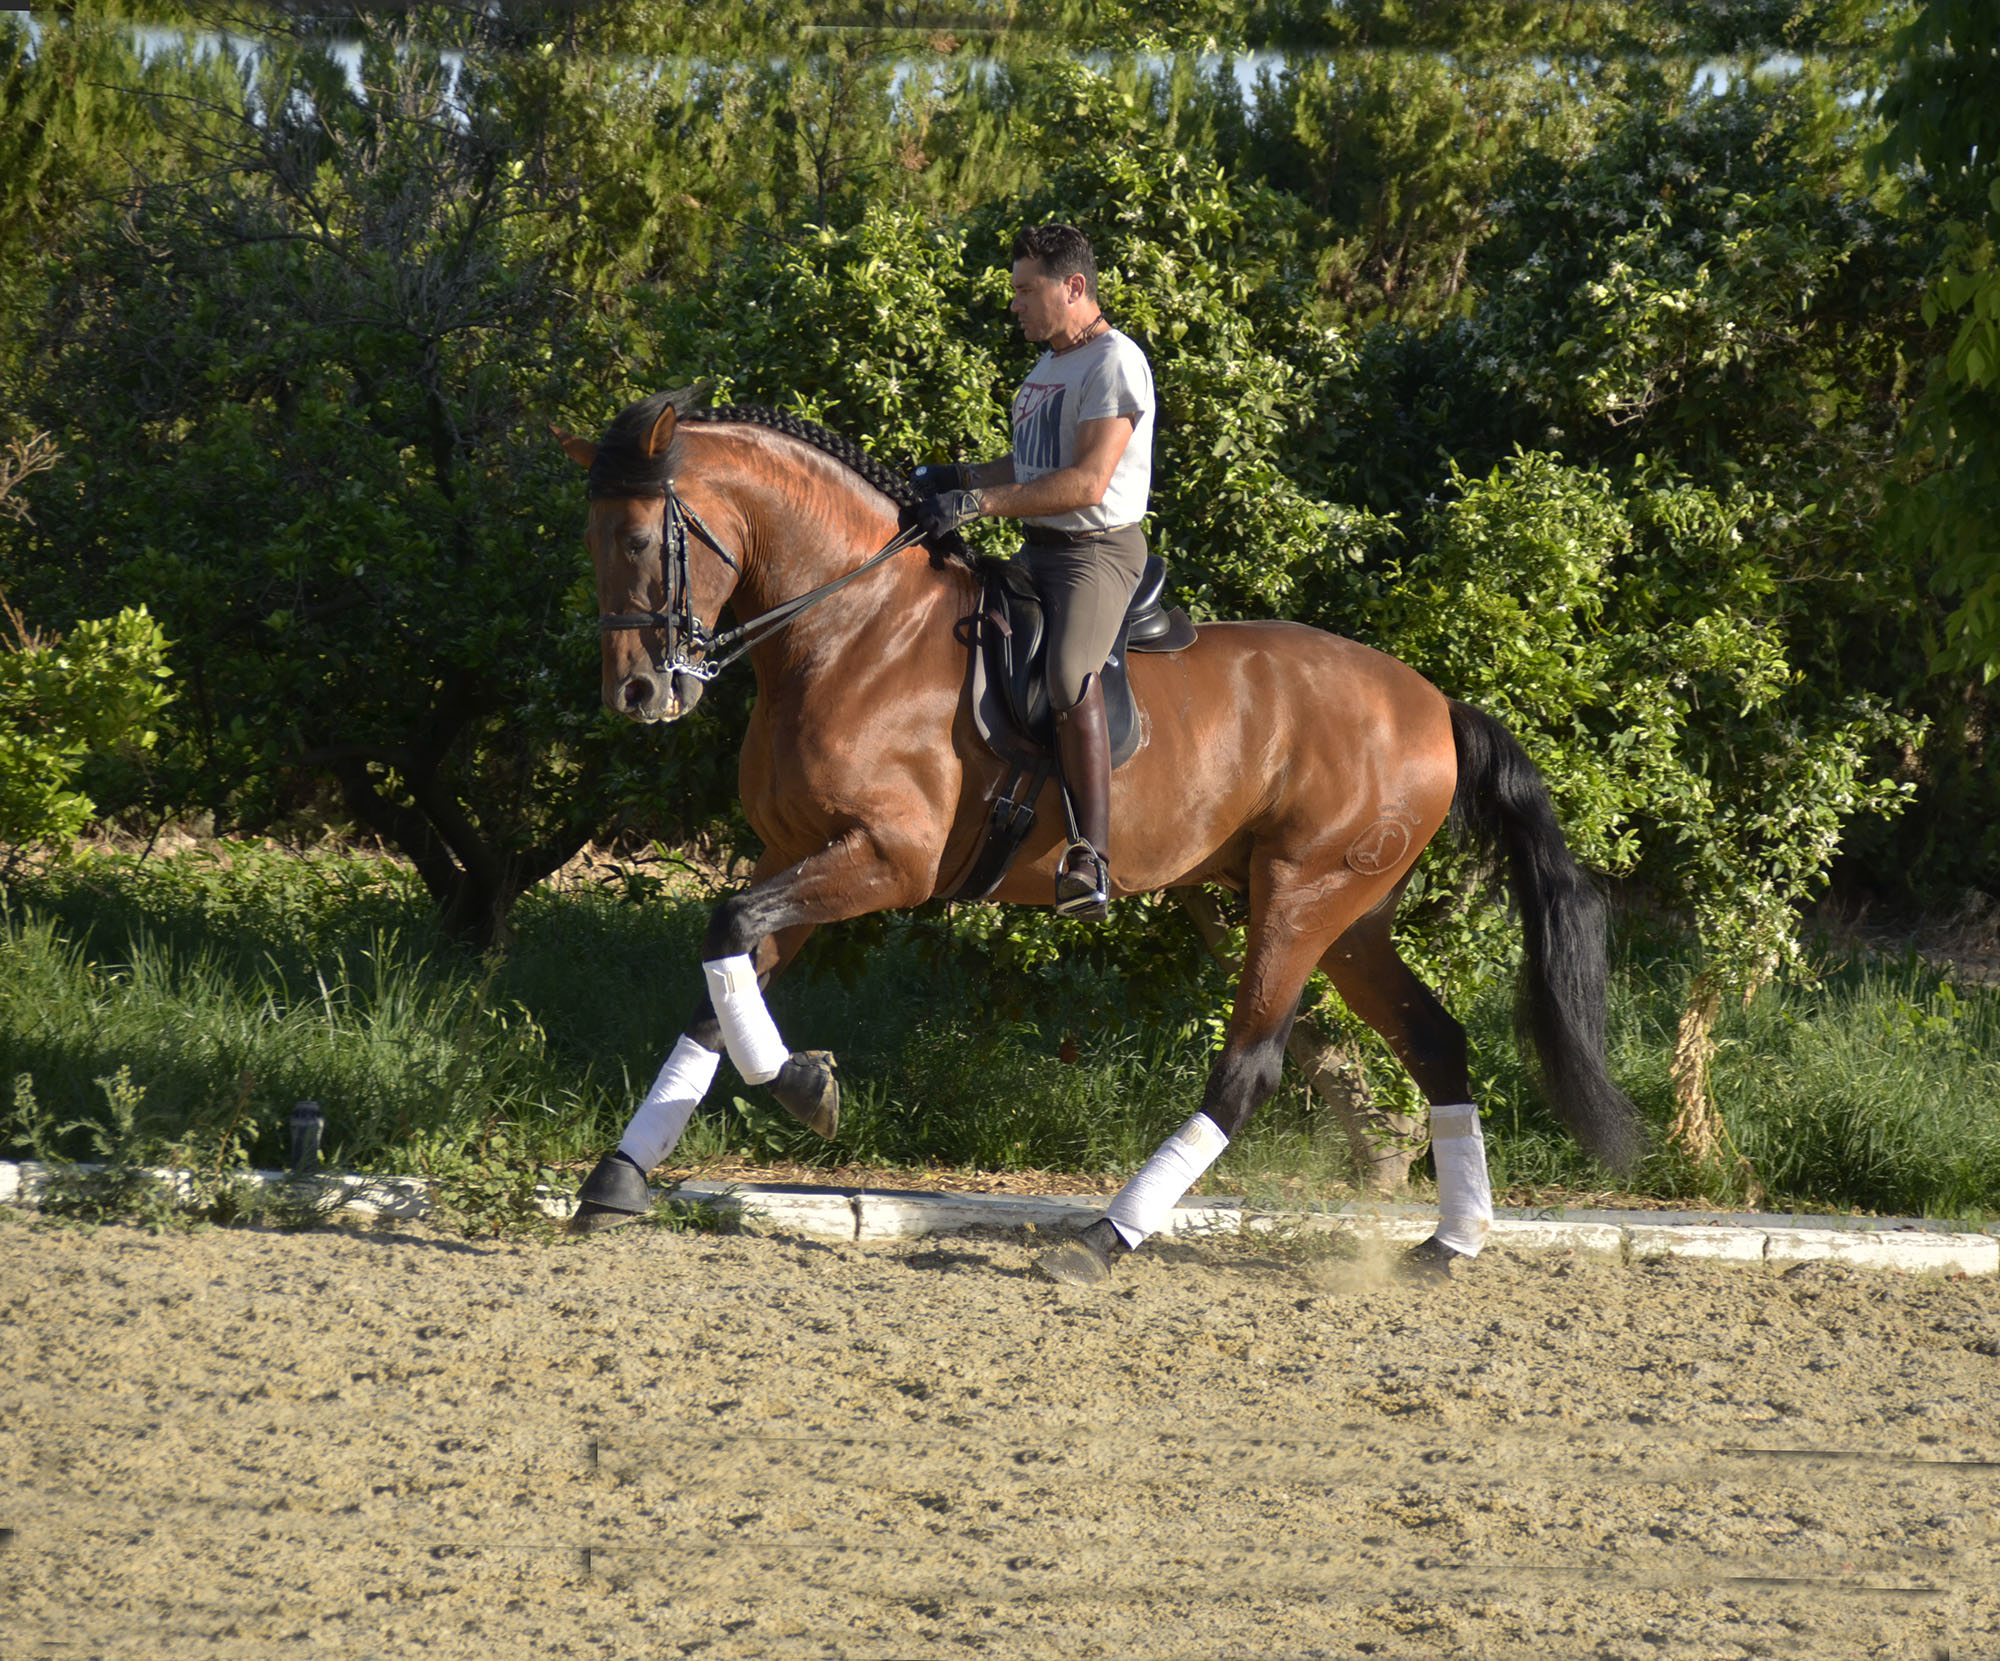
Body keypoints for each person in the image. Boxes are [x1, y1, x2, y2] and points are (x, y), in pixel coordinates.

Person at [908, 222, 1156, 921]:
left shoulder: (1114, 362)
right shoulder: (1046, 370)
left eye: (1025, 290)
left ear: (1073, 287)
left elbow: (1083, 481)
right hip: (1040, 550)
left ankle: (1091, 856)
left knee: (1068, 671)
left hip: (1096, 553)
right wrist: (954, 475)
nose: (1014, 304)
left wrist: (976, 502)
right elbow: (1032, 468)